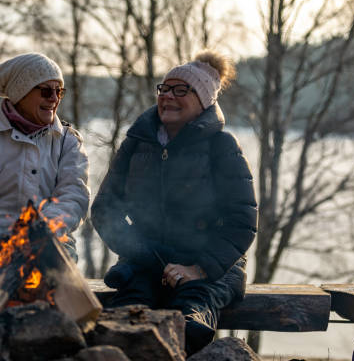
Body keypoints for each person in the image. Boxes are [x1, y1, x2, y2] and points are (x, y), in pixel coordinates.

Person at [91, 50, 257, 354]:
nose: (168, 96)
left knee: (188, 327)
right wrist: (139, 252)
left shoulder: (222, 147)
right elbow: (104, 209)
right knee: (123, 326)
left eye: (181, 90)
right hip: (144, 261)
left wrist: (199, 269)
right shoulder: (137, 143)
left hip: (206, 267)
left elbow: (242, 221)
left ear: (204, 100)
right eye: (164, 88)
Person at [0, 52, 90, 273]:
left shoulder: (68, 141)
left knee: (49, 293)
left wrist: (42, 234)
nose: (54, 98)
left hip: (48, 244)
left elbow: (73, 196)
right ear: (20, 93)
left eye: (59, 91)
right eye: (45, 91)